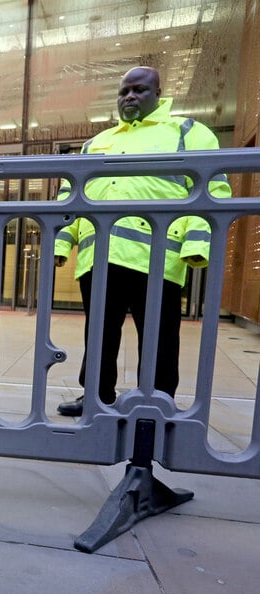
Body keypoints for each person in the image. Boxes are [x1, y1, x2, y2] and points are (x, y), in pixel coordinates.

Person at [54, 66, 231, 417]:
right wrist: (62, 243)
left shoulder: (188, 132)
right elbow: (70, 196)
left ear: (158, 93)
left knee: (160, 337)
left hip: (157, 257)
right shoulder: (97, 142)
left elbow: (212, 189)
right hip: (100, 256)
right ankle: (95, 397)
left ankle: (157, 400)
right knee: (100, 334)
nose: (130, 97)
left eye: (139, 90)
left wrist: (196, 244)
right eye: (124, 92)